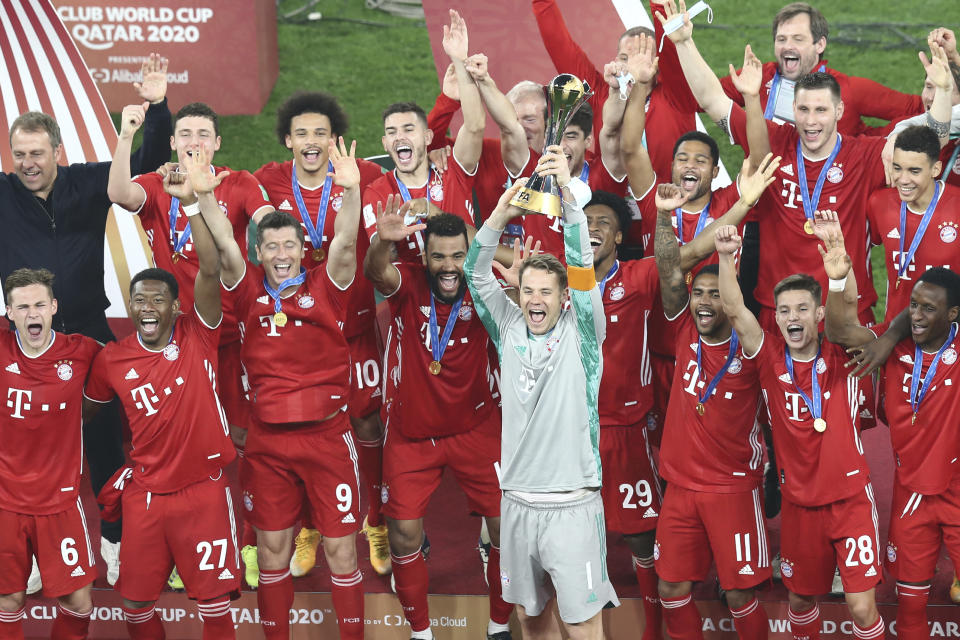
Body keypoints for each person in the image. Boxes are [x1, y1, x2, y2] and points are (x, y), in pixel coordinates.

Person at [664, 0, 957, 333]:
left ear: (839, 111)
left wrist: (945, 90)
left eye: (821, 110)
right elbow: (710, 98)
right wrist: (684, 42)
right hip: (780, 311)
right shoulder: (774, 142)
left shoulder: (865, 155)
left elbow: (936, 141)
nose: (811, 120)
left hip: (844, 312)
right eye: (803, 110)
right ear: (793, 110)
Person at [0, 54, 172, 587]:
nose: (27, 163)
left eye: (37, 154)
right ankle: (28, 556)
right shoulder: (2, 194)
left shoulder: (88, 182)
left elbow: (148, 158)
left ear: (58, 151)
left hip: (90, 337)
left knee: (103, 445)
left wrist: (158, 106)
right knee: (27, 450)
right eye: (19, 155)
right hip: (25, 342)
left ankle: (113, 543)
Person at [107, 98, 273, 589]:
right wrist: (128, 134)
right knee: (186, 441)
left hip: (236, 336)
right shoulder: (160, 183)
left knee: (244, 438)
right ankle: (190, 544)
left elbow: (265, 219)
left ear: (217, 143)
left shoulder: (238, 182)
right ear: (174, 142)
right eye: (186, 134)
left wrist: (269, 230)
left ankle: (247, 543)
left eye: (204, 134)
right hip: (183, 340)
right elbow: (117, 191)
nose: (195, 142)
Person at [205, 138, 366, 640]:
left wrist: (353, 190)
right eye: (270, 246)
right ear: (260, 252)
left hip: (328, 439)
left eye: (289, 245)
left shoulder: (327, 284)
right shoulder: (248, 287)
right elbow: (225, 249)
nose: (280, 254)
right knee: (272, 553)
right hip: (268, 444)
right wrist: (203, 199)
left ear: (302, 249)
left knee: (342, 551)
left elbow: (344, 240)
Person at [82, 151, 241, 639]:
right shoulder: (112, 360)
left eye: (158, 300)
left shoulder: (199, 335)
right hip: (147, 494)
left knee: (214, 604)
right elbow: (91, 413)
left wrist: (191, 206)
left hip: (202, 491)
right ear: (129, 306)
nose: (147, 308)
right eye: (139, 300)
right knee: (134, 603)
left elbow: (211, 271)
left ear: (176, 306)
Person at [465, 146, 616, 640]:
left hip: (572, 503)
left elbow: (581, 270)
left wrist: (571, 204)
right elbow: (474, 271)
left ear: (564, 297)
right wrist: (500, 214)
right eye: (528, 290)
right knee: (530, 620)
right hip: (516, 502)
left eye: (546, 292)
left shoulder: (584, 333)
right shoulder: (507, 327)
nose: (535, 299)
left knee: (583, 624)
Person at [714, 215, 885, 640]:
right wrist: (723, 257)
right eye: (785, 310)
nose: (793, 317)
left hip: (849, 502)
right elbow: (735, 309)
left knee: (862, 609)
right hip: (798, 505)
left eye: (803, 309)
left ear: (818, 313)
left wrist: (839, 278)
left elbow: (846, 322)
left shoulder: (843, 352)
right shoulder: (769, 357)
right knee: (800, 601)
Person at [254, 91, 390, 578]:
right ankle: (312, 525)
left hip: (354, 329)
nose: (312, 143)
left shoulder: (365, 176)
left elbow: (411, 176)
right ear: (288, 140)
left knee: (367, 425)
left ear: (335, 139)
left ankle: (376, 521)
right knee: (311, 429)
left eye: (321, 134)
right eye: (302, 134)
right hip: (302, 336)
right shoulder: (268, 179)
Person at [364, 203, 513, 640]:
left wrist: (511, 268)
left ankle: (499, 626)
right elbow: (377, 273)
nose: (448, 267)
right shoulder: (407, 282)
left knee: (507, 529)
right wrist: (381, 241)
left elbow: (531, 286)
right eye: (438, 257)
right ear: (423, 257)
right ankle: (422, 633)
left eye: (457, 256)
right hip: (412, 434)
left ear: (470, 255)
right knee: (404, 539)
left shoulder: (484, 285)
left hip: (477, 428)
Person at [649, 158, 778, 640]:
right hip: (680, 486)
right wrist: (664, 217)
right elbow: (667, 270)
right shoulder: (685, 329)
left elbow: (737, 305)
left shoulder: (750, 343)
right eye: (697, 293)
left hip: (732, 488)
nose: (703, 302)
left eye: (713, 294)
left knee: (741, 595)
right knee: (671, 587)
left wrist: (726, 260)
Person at [820, 217, 960, 639]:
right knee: (910, 605)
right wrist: (838, 280)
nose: (915, 315)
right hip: (911, 494)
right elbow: (839, 331)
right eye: (912, 304)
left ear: (953, 315)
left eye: (928, 308)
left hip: (958, 490)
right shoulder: (893, 345)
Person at [0, 268, 101, 639]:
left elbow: (124, 372)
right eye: (22, 306)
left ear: (54, 306)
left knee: (79, 602)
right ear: (8, 312)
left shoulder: (82, 351)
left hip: (60, 502)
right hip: (5, 502)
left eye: (40, 304)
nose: (32, 314)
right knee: (7, 599)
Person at [362, 10, 485, 263]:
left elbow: (474, 127)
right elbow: (380, 266)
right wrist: (385, 241)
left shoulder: (452, 168)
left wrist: (460, 62)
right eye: (392, 132)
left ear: (428, 137)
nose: (399, 137)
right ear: (385, 143)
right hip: (415, 297)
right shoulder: (377, 192)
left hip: (468, 292)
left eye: (409, 129)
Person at [529, 0, 701, 181]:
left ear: (658, 65)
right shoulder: (601, 93)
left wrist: (659, 6)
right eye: (624, 58)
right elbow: (559, 44)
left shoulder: (677, 96)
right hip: (611, 203)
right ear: (615, 59)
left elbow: (671, 53)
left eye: (641, 57)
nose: (632, 66)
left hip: (668, 201)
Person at [718, 2, 924, 135]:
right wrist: (685, 44)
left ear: (820, 45)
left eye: (798, 39)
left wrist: (875, 143)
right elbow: (701, 95)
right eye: (781, 39)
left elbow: (916, 109)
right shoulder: (758, 78)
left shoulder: (848, 89)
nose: (787, 46)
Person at [868, 125, 960, 321]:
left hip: (949, 336)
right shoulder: (879, 203)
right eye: (897, 168)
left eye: (914, 171)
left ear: (936, 169)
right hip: (896, 335)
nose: (903, 179)